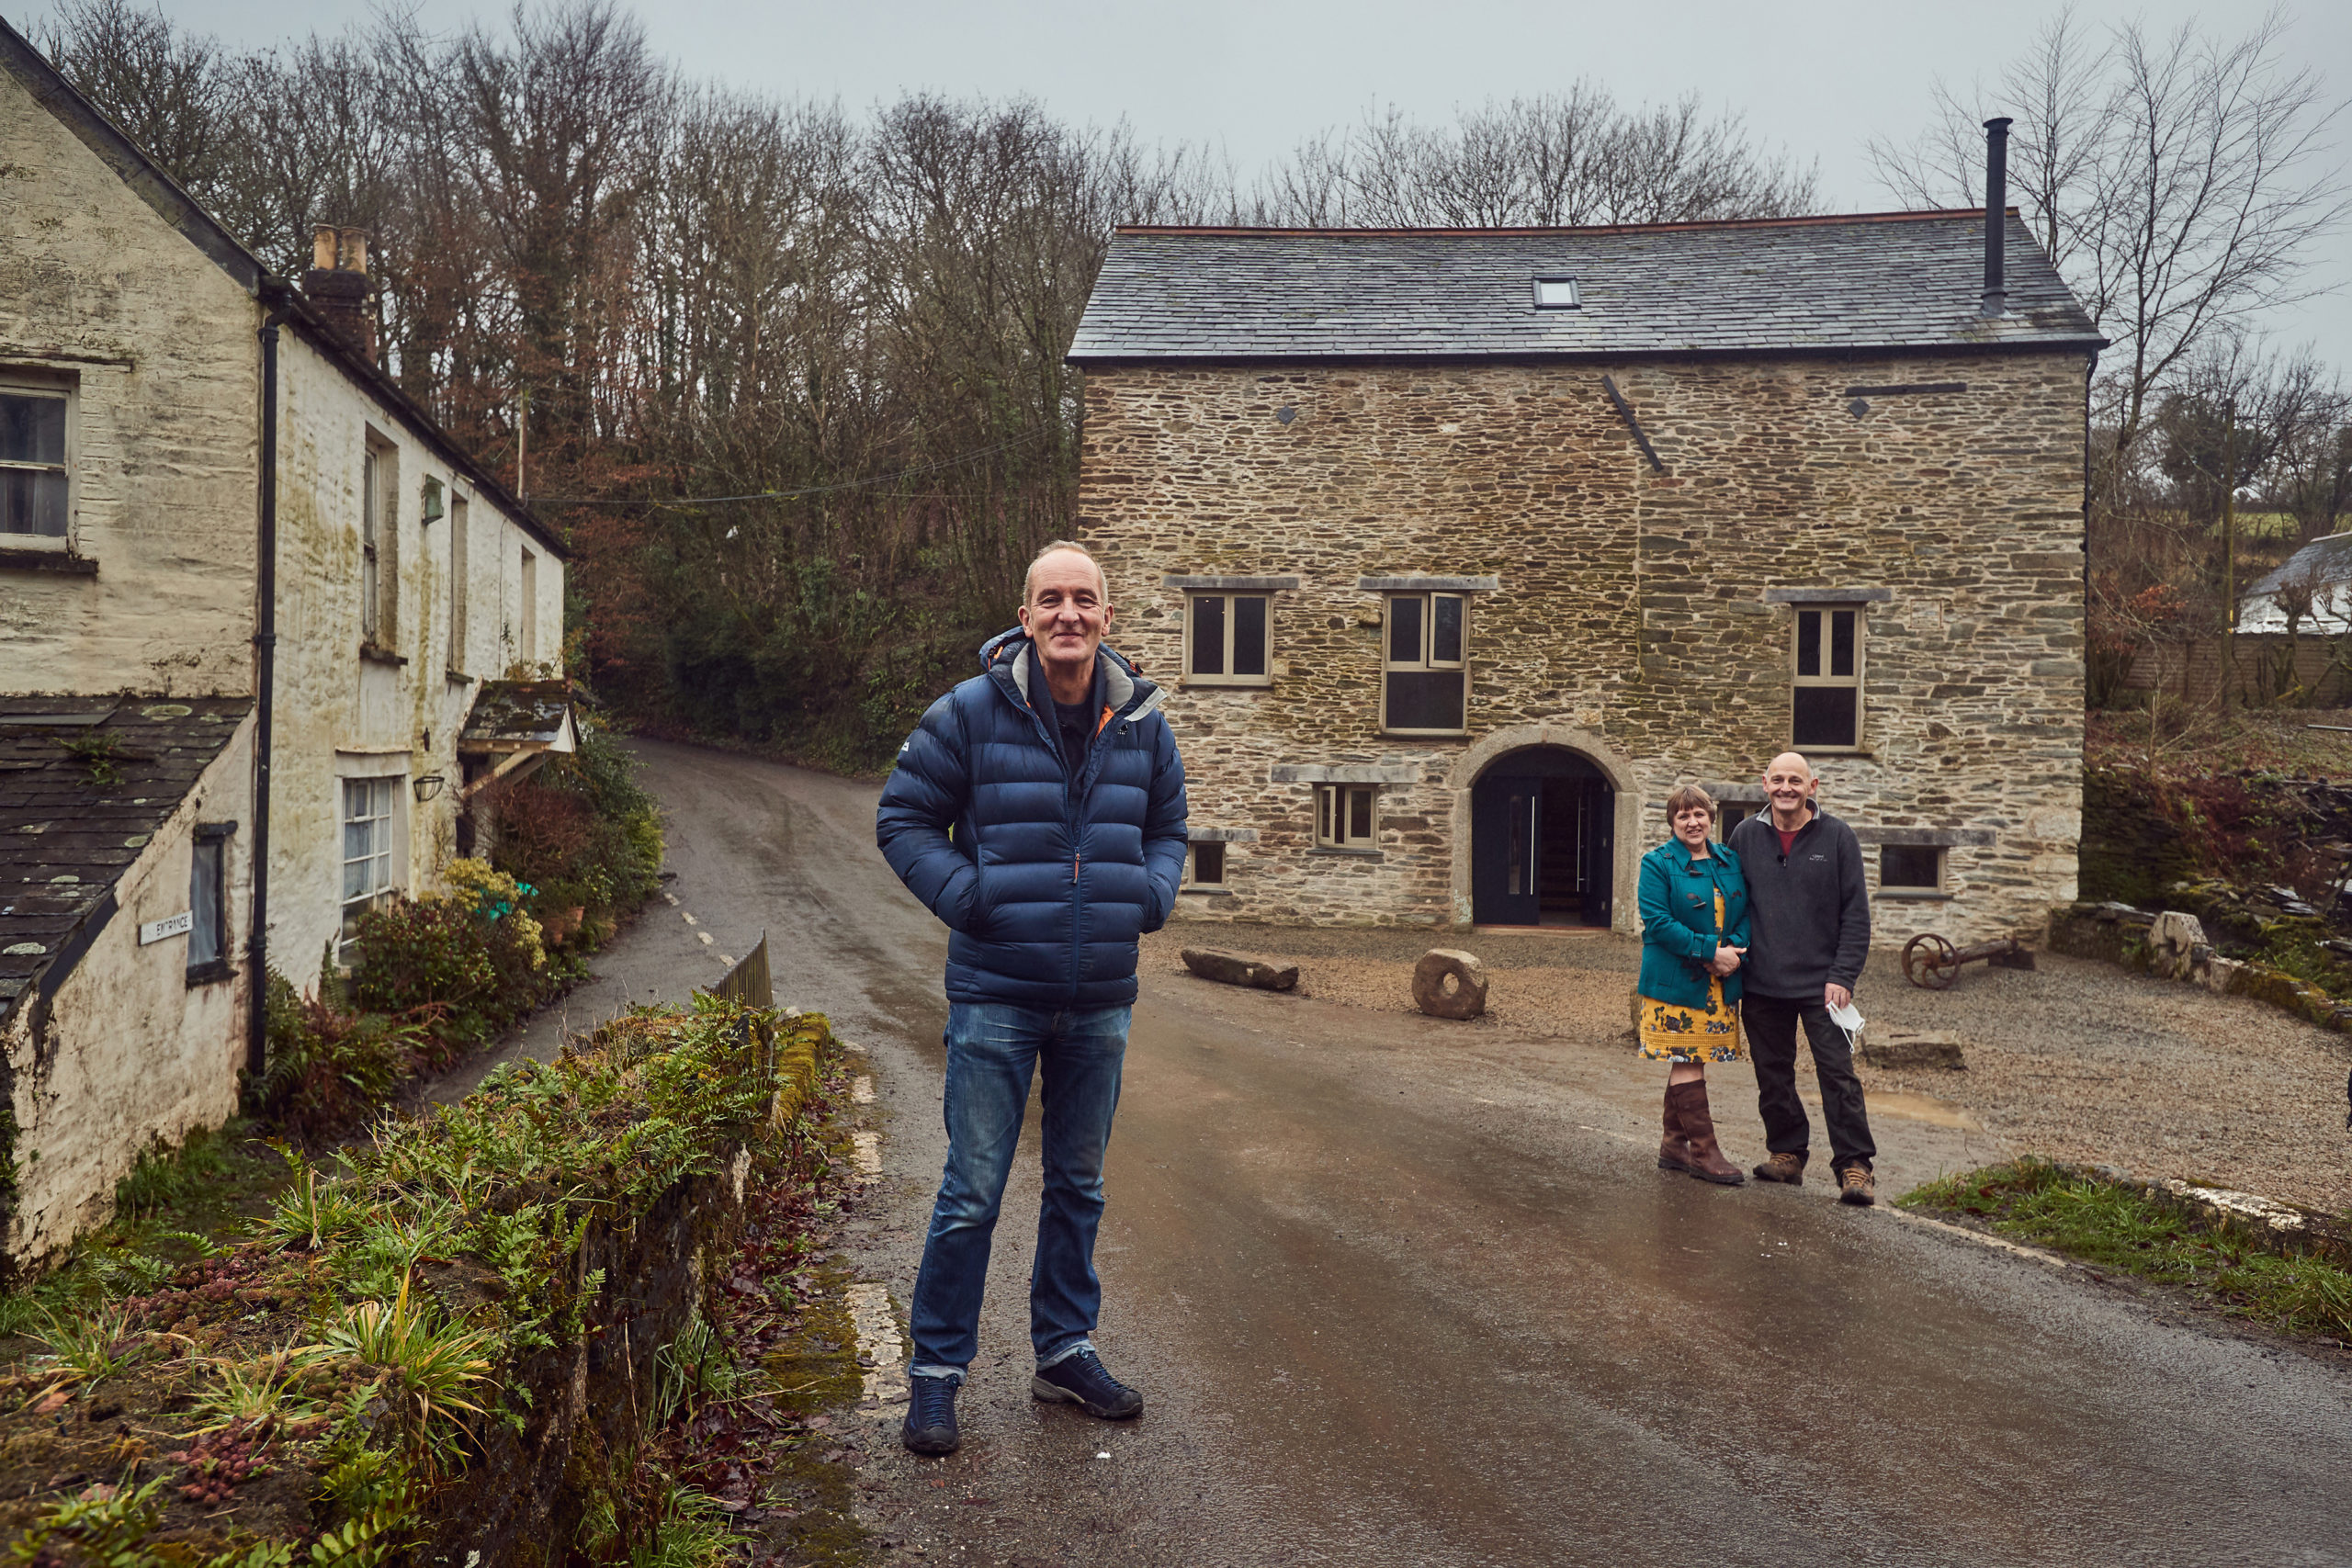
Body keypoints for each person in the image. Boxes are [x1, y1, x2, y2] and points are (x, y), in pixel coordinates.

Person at [875, 540, 1188, 1457]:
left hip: (1100, 995)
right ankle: (936, 1376)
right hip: (995, 994)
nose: (1067, 615)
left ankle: (1063, 1352)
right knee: (971, 1191)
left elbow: (1169, 825)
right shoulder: (968, 714)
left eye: (1083, 600)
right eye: (1050, 600)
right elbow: (902, 820)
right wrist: (972, 900)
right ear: (1024, 617)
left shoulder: (1138, 720)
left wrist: (1151, 894)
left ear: (1106, 615)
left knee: (1078, 1186)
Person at [1725, 751, 1878, 1206]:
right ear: (1764, 784)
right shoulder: (1744, 835)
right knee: (1773, 1074)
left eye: (1796, 780)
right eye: (1778, 780)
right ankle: (1787, 1153)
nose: (1786, 787)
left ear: (1813, 786)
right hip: (1762, 982)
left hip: (1823, 986)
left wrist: (1843, 975)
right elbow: (1732, 901)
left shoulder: (1838, 837)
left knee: (1838, 1075)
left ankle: (1855, 1167)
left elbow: (1856, 915)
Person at [1635, 784, 1752, 1185]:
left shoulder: (1728, 859)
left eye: (1699, 813)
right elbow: (1658, 923)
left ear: (1711, 818)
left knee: (1691, 1060)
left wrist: (1735, 950)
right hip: (1676, 983)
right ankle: (1704, 1152)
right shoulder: (1657, 863)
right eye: (1683, 815)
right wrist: (1710, 953)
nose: (1692, 822)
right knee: (1688, 1059)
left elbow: (1744, 910)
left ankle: (1673, 1145)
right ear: (1672, 822)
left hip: (1720, 981)